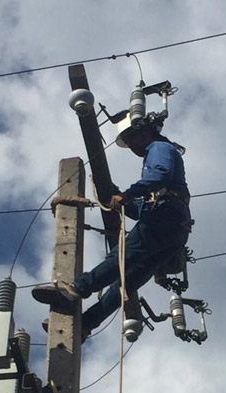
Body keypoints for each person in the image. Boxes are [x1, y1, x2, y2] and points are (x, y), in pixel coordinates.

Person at [32, 115, 192, 338]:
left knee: (121, 258)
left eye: (132, 138)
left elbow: (159, 176)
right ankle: (86, 324)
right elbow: (140, 210)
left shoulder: (159, 147)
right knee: (126, 283)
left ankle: (75, 289)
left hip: (165, 216)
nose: (132, 146)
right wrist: (116, 196)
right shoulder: (159, 157)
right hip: (175, 230)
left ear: (145, 132)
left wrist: (126, 195)